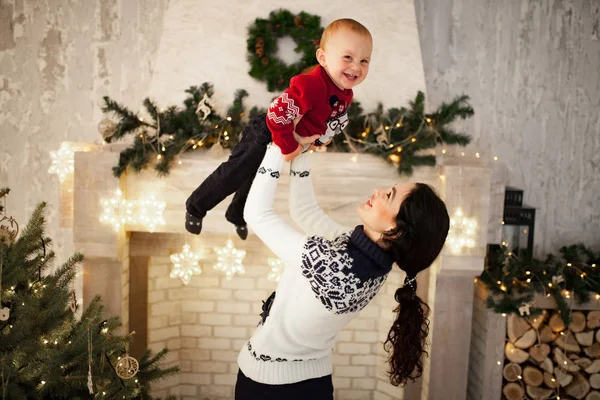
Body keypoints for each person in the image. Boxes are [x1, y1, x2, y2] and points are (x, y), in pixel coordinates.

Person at [234, 143, 450, 399]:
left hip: (274, 389)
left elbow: (257, 214)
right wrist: (302, 147)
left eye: (389, 196)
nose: (378, 191)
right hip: (297, 382)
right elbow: (305, 213)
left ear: (397, 230)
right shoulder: (370, 257)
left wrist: (277, 145)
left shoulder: (338, 269)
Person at [185, 18, 373, 239]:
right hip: (266, 133)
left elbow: (326, 120)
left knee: (256, 180)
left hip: (288, 141)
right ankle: (195, 207)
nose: (356, 67)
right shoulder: (310, 84)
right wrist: (290, 146)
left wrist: (319, 140)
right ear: (322, 58)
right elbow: (277, 115)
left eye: (364, 61)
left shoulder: (345, 94)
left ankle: (236, 214)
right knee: (235, 173)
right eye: (348, 57)